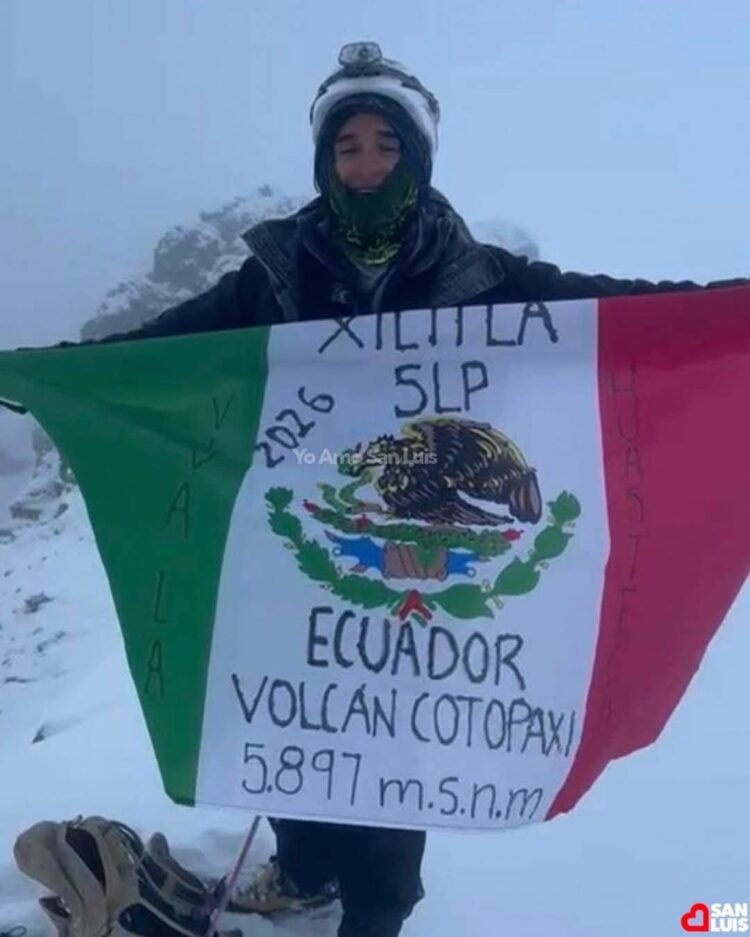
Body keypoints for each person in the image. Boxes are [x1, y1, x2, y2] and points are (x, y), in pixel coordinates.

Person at [53, 40, 748, 937]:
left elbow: (631, 322)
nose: (368, 163)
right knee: (302, 717)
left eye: (387, 144)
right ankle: (303, 870)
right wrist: (54, 375)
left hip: (434, 559)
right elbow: (161, 352)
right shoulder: (276, 274)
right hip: (304, 535)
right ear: (325, 161)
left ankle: (377, 910)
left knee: (391, 729)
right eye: (350, 147)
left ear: (416, 157)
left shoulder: (485, 277)